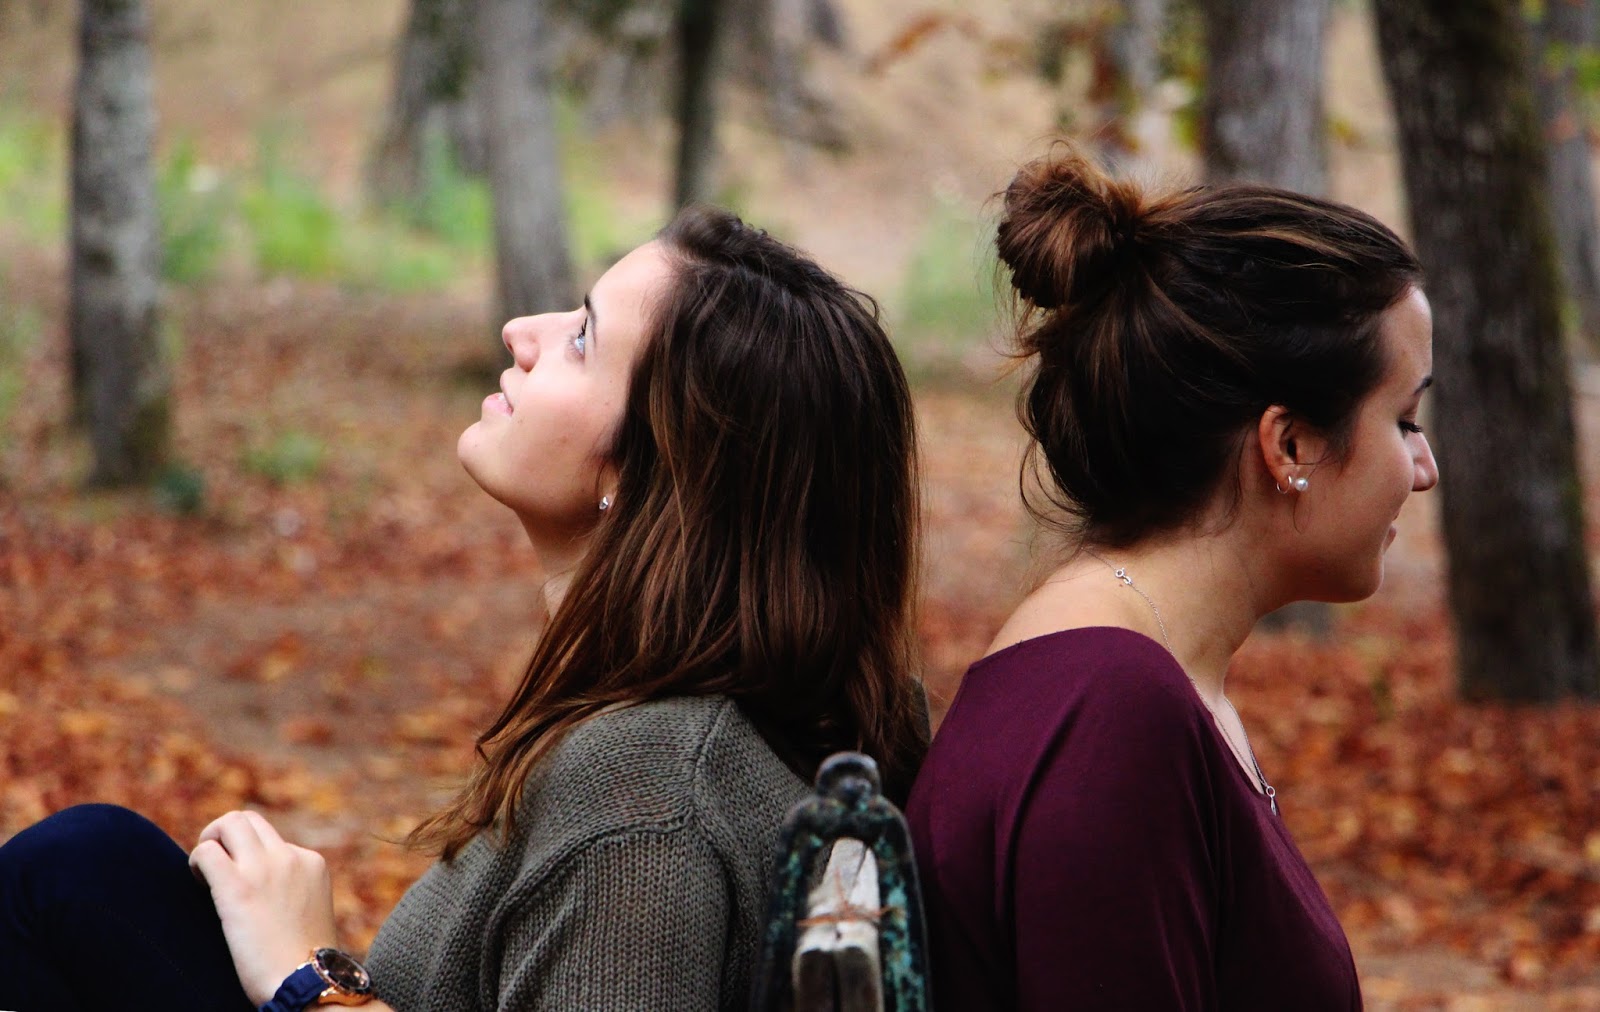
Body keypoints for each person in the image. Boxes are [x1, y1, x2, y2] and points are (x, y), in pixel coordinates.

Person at [0, 206, 929, 1012]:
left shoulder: (648, 792)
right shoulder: (689, 740)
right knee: (93, 873)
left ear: (655, 463)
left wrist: (310, 978)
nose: (522, 331)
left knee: (74, 872)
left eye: (583, 339)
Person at [905, 146, 1438, 1010]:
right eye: (1404, 420)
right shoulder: (1109, 716)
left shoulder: (1142, 678)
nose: (1424, 468)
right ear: (1290, 445)